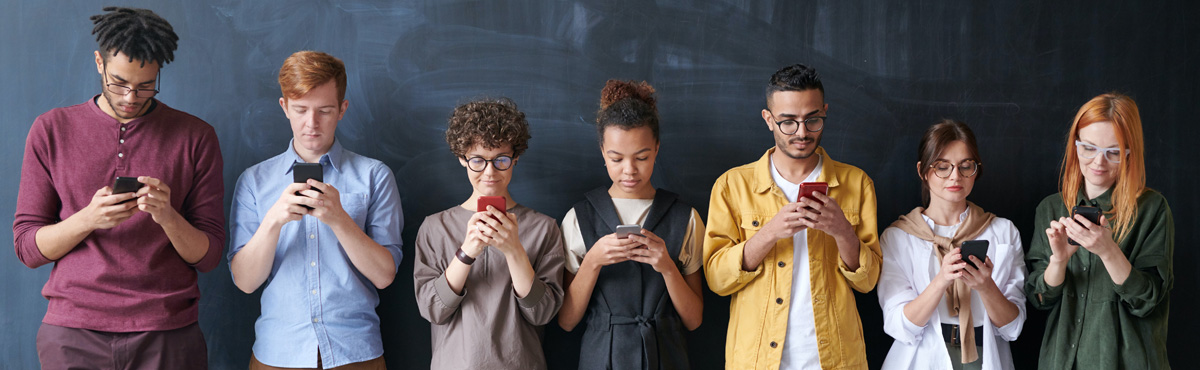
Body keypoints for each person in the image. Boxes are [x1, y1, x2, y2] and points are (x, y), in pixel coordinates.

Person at [12, 7, 224, 369]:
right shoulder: (51, 129)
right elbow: (28, 249)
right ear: (99, 63)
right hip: (71, 332)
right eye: (119, 82)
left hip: (168, 331)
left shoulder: (195, 136)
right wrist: (88, 219)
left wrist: (168, 217)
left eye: (145, 86)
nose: (130, 97)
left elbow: (209, 256)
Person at [227, 51, 402, 369]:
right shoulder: (254, 181)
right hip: (277, 352)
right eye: (301, 110)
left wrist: (340, 219)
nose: (312, 123)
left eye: (324, 110)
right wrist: (274, 221)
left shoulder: (374, 175)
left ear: (342, 110)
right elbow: (245, 281)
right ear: (284, 108)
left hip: (356, 352)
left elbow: (384, 275)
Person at [703, 64, 881, 369]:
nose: (802, 132)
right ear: (768, 119)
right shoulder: (732, 185)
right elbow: (717, 279)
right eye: (788, 122)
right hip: (758, 359)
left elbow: (867, 282)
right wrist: (769, 233)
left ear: (825, 112)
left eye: (813, 120)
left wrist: (842, 231)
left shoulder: (856, 183)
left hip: (836, 358)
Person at [558, 80, 706, 369]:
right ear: (602, 152)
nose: (629, 170)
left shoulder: (684, 216)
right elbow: (566, 321)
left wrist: (667, 267)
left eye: (642, 157)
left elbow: (694, 319)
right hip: (601, 358)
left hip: (667, 357)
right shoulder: (579, 217)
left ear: (657, 148)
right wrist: (593, 261)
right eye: (616, 159)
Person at [413, 98, 565, 369]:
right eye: (478, 161)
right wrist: (467, 252)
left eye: (501, 160)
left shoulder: (544, 228)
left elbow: (542, 313)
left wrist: (513, 249)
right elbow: (433, 309)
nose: (490, 172)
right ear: (462, 158)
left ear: (515, 158)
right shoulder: (435, 228)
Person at [1026, 93, 1174, 369]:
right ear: (1075, 146)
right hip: (1062, 361)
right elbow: (1040, 299)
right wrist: (1059, 260)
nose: (1099, 162)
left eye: (1114, 152)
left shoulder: (1152, 209)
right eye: (1089, 148)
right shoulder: (1050, 208)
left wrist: (1108, 251)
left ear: (1131, 153)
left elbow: (1148, 302)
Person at [877, 120, 1026, 370]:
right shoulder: (898, 236)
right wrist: (941, 280)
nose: (955, 176)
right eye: (942, 167)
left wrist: (986, 286)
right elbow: (898, 326)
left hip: (984, 358)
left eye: (965, 166)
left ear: (976, 170)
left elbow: (1013, 329)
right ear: (923, 171)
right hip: (921, 359)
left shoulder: (1003, 231)